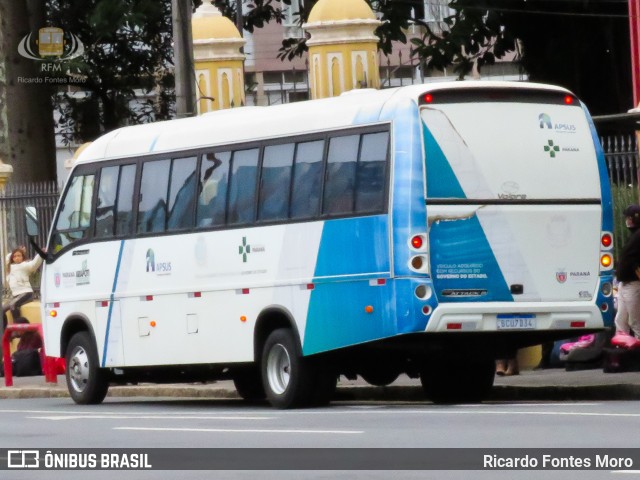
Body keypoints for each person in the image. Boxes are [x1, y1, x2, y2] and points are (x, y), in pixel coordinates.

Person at [613, 204, 640, 340]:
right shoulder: (634, 236)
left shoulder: (638, 236)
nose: (627, 221)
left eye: (629, 218)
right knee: (620, 320)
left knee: (636, 322)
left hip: (633, 284)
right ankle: (621, 351)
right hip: (624, 284)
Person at [2, 246, 43, 329]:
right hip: (16, 295)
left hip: (26, 293)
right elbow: (7, 257)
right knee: (2, 310)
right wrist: (19, 250)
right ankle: (4, 331)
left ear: (23, 257)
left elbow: (34, 264)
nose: (16, 258)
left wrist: (40, 254)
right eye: (15, 256)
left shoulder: (25, 266)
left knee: (13, 305)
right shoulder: (10, 267)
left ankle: (17, 329)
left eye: (19, 256)